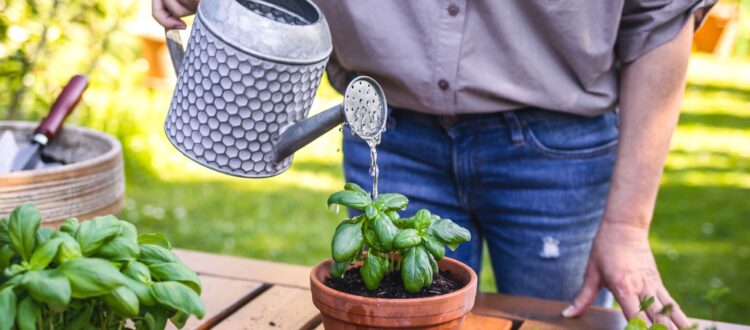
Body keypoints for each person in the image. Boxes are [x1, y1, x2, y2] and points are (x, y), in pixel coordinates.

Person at [153, 0, 716, 328]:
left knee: (559, 320)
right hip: (390, 130)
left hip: (557, 151)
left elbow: (662, 16)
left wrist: (625, 227)